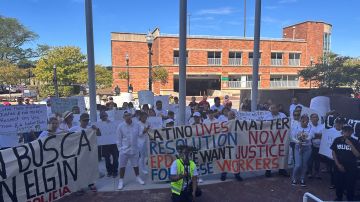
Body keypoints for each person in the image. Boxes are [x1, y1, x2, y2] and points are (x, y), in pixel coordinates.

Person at [68, 113, 99, 192]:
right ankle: (79, 186)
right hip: (77, 153)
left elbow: (99, 134)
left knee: (89, 168)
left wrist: (97, 129)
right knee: (79, 169)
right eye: (84, 120)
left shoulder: (90, 128)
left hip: (88, 152)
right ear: (80, 120)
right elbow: (65, 135)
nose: (85, 122)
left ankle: (91, 183)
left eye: (87, 120)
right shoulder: (74, 129)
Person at [117, 111, 145, 190]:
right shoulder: (120, 126)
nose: (127, 117)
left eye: (128, 115)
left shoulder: (136, 125)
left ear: (131, 116)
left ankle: (138, 177)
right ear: (123, 117)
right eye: (125, 116)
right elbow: (118, 139)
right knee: (122, 166)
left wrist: (144, 131)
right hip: (124, 150)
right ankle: (121, 180)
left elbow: (140, 134)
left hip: (134, 148)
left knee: (136, 164)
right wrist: (120, 149)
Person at [331, 125, 360, 201]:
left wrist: (350, 144)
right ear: (342, 132)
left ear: (352, 132)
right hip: (339, 165)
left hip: (351, 167)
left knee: (350, 184)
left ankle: (350, 199)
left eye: (349, 131)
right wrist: (338, 164)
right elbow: (334, 152)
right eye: (345, 131)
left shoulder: (355, 141)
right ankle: (339, 197)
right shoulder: (337, 140)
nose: (347, 132)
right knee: (338, 183)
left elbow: (357, 154)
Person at [263, 104, 288, 177]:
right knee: (269, 154)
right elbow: (264, 126)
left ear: (277, 109)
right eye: (271, 108)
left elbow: (286, 125)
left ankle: (282, 169)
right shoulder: (266, 116)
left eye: (274, 108)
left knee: (281, 153)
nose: (273, 110)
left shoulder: (283, 115)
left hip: (281, 138)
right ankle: (268, 170)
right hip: (270, 138)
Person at [291, 114, 314, 187]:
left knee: (304, 164)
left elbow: (311, 136)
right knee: (298, 165)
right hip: (298, 147)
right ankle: (294, 178)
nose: (304, 122)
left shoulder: (311, 128)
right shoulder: (296, 127)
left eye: (306, 120)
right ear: (300, 120)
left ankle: (302, 178)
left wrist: (305, 138)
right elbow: (293, 137)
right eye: (303, 120)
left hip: (307, 148)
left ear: (308, 121)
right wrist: (298, 141)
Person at [220, 110, 243, 182]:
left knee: (236, 160)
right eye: (231, 115)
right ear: (228, 116)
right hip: (226, 145)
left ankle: (237, 174)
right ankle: (223, 174)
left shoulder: (238, 123)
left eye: (233, 115)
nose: (232, 116)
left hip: (235, 145)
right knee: (225, 159)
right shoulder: (224, 123)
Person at [327, 117, 346, 189]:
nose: (339, 124)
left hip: (342, 155)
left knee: (341, 169)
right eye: (338, 123)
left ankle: (341, 184)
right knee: (333, 170)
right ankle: (333, 183)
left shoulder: (345, 132)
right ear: (335, 123)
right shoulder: (330, 131)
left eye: (340, 123)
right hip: (333, 154)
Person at [99, 111, 119, 178]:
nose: (104, 117)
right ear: (100, 117)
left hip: (113, 143)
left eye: (105, 116)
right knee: (107, 159)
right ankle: (109, 171)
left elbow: (116, 129)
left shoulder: (112, 122)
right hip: (105, 144)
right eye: (102, 116)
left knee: (115, 158)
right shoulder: (99, 124)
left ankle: (115, 171)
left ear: (107, 116)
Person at [308, 113, 324, 179]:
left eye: (316, 117)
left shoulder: (322, 126)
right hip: (310, 146)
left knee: (317, 160)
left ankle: (317, 173)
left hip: (319, 147)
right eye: (313, 117)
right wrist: (318, 135)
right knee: (310, 160)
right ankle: (310, 172)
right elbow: (309, 136)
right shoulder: (308, 126)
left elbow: (323, 136)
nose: (315, 118)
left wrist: (314, 135)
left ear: (318, 118)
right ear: (311, 119)